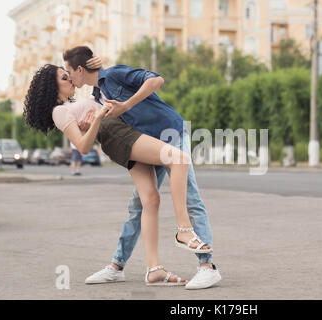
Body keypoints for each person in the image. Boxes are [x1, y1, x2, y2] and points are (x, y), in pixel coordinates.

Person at [23, 62, 212, 286]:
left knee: (150, 199)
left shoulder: (72, 104)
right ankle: (184, 230)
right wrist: (97, 120)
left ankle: (155, 269)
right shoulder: (59, 112)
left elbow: (102, 92)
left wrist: (97, 67)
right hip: (118, 135)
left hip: (122, 132)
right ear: (51, 88)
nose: (70, 80)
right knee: (178, 158)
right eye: (64, 78)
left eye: (69, 75)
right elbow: (83, 147)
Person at [65, 46, 221, 289]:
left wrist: (126, 104)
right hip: (150, 145)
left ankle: (207, 267)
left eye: (69, 71)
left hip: (172, 134)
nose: (69, 77)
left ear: (80, 69)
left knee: (191, 198)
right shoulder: (97, 96)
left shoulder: (114, 74)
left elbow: (156, 79)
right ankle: (116, 266)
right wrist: (90, 123)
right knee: (140, 204)